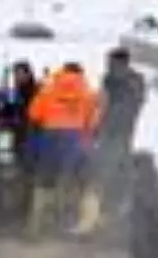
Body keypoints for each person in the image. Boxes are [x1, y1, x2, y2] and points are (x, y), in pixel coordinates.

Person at [25, 62, 102, 234]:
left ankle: (35, 225)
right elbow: (93, 123)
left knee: (45, 182)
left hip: (50, 139)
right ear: (81, 73)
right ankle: (84, 226)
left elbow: (33, 114)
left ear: (63, 71)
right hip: (76, 141)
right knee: (86, 183)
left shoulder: (48, 89)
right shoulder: (88, 93)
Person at [95, 46, 147, 215]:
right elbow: (102, 103)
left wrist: (103, 122)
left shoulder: (129, 81)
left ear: (121, 62)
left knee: (112, 167)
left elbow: (127, 106)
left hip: (119, 130)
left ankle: (111, 207)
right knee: (108, 167)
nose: (107, 65)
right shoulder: (111, 79)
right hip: (112, 130)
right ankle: (108, 206)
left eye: (110, 62)